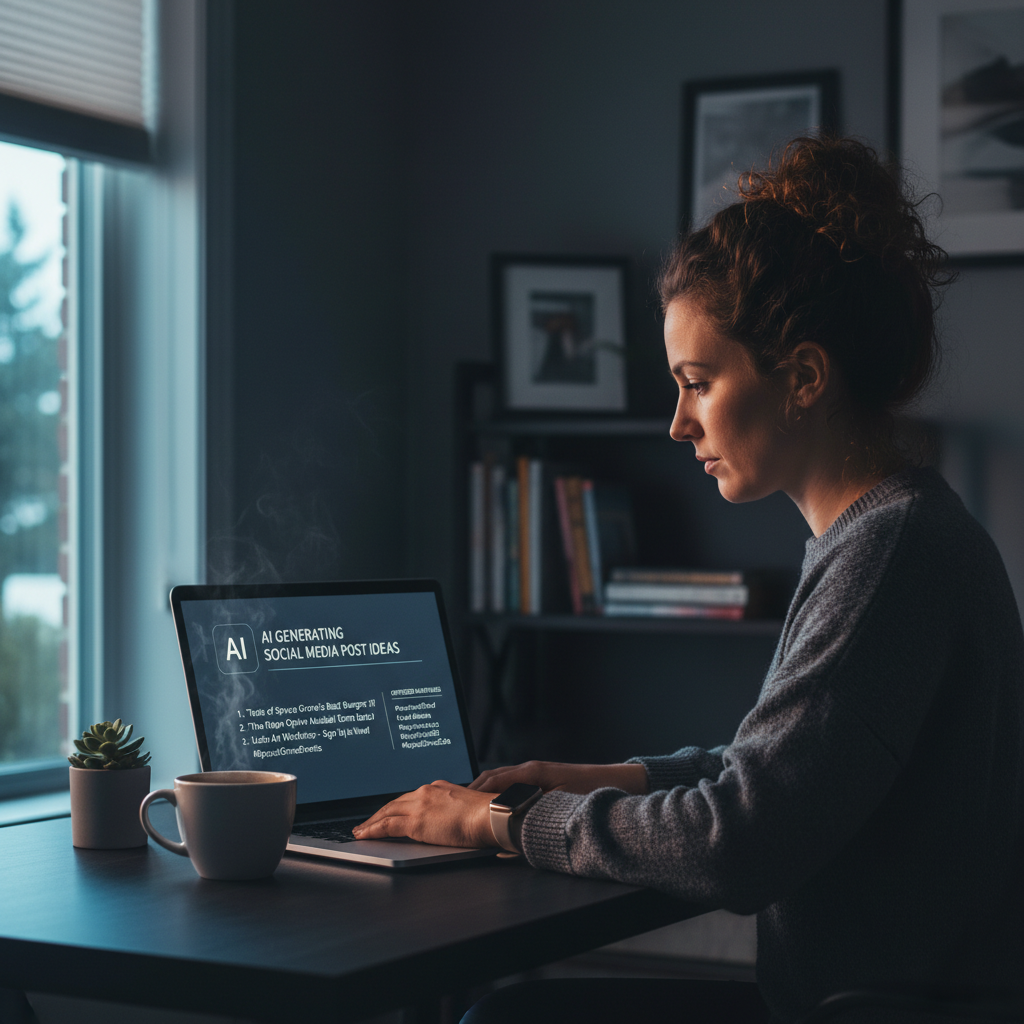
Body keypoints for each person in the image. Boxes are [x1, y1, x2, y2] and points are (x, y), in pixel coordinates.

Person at [353, 136, 1024, 1023]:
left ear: (804, 377)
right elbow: (775, 773)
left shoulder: (889, 555)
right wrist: (578, 778)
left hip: (865, 1011)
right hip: (855, 1002)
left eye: (697, 384)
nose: (677, 424)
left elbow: (738, 840)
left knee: (508, 1019)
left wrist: (500, 822)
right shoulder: (896, 533)